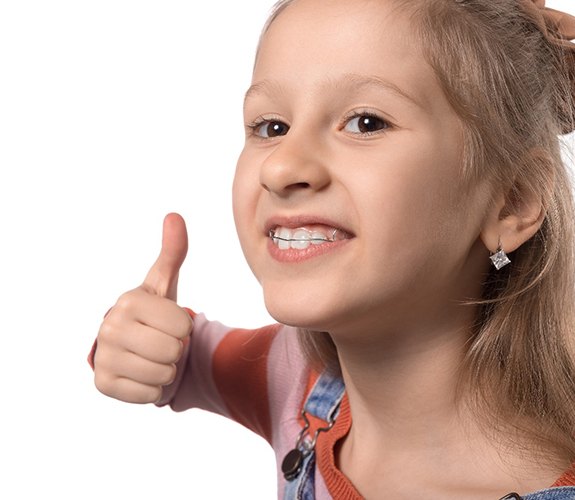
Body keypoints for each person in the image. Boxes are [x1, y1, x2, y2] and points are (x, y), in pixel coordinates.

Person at [90, 0, 575, 498]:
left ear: (510, 202)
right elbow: (180, 356)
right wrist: (136, 340)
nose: (280, 168)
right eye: (271, 127)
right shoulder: (292, 375)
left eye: (366, 122)